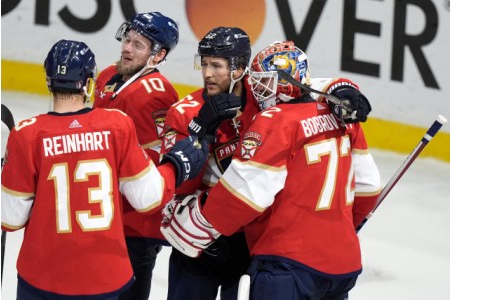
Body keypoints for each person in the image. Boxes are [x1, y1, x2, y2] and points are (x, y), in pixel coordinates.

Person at [160, 40, 381, 300]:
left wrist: (195, 223)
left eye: (264, 81)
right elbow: (369, 187)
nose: (258, 88)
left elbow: (243, 197)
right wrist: (340, 228)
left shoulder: (275, 121)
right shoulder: (343, 117)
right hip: (343, 263)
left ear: (286, 82)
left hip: (286, 261)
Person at [1, 39, 210, 299]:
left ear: (48, 81)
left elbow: (9, 219)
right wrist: (175, 166)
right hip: (105, 275)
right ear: (89, 83)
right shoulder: (116, 125)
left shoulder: (26, 134)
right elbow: (148, 199)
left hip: (44, 276)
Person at [159, 27, 260, 300]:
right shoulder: (184, 113)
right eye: (203, 63)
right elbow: (179, 186)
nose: (207, 73)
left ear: (239, 69)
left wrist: (338, 87)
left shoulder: (262, 105)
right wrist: (200, 132)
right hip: (195, 237)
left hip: (247, 240)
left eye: (216, 65)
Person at [92, 12, 180, 300]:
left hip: (135, 222)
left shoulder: (155, 94)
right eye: (127, 39)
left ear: (158, 55)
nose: (127, 48)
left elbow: (152, 159)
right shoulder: (109, 75)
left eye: (138, 45)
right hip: (107, 211)